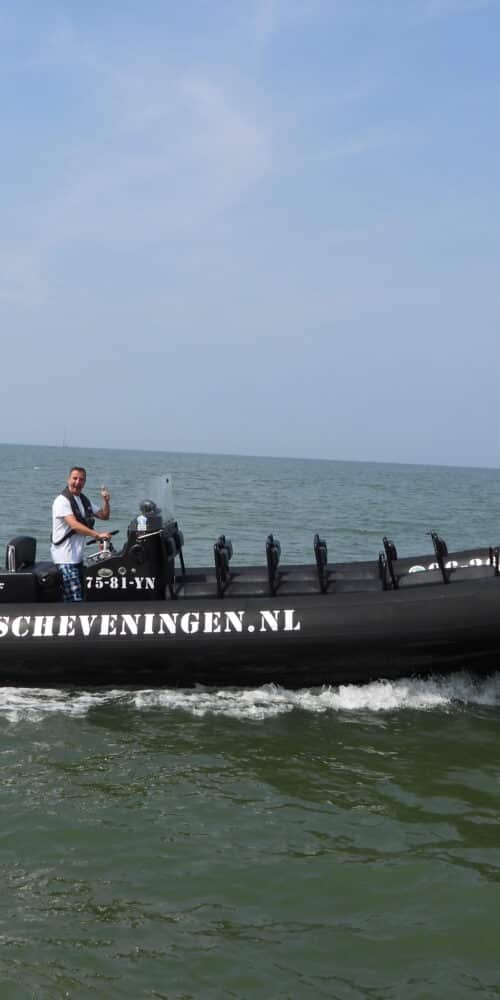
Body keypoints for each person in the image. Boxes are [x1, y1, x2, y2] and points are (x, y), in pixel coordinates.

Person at [51, 466, 112, 601]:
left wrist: (106, 502)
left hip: (78, 559)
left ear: (85, 482)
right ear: (68, 479)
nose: (77, 482)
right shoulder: (62, 501)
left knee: (84, 597)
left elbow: (104, 515)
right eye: (75, 478)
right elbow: (74, 525)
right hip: (65, 560)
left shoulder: (83, 500)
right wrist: (97, 535)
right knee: (75, 601)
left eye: (81, 479)